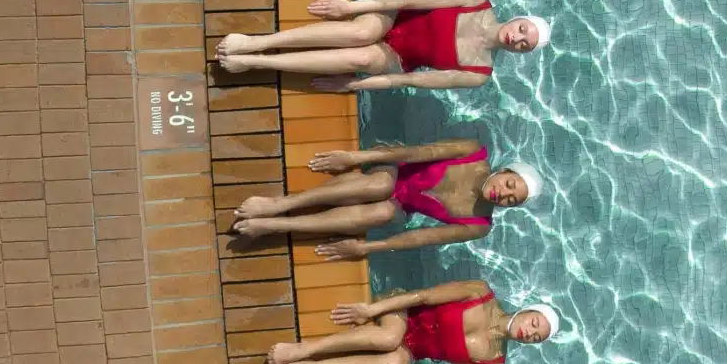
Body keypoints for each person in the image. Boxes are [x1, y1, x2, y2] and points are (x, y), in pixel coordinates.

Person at [231, 136, 542, 254]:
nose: (503, 195)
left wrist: (366, 248)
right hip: (394, 172)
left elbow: (421, 239)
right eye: (510, 186)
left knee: (380, 213)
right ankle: (281, 204)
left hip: (401, 205)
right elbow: (418, 150)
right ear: (505, 171)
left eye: (511, 200)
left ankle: (275, 226)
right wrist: (355, 158)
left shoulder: (479, 224)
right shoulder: (473, 153)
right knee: (379, 186)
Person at [214, 0, 552, 90]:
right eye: (524, 30)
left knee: (362, 59)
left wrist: (351, 86)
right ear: (519, 19)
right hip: (392, 15)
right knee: (361, 31)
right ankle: (257, 42)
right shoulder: (474, 0)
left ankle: (257, 63)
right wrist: (351, 5)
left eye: (525, 44)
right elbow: (408, 1)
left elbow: (408, 82)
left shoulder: (478, 73)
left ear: (521, 54)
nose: (517, 38)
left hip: (398, 58)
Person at [265, 280, 562, 364]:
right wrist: (371, 310)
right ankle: (302, 350)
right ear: (527, 310)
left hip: (411, 350)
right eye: (535, 323)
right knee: (387, 339)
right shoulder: (480, 293)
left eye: (536, 337)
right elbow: (421, 296)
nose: (530, 333)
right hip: (401, 311)